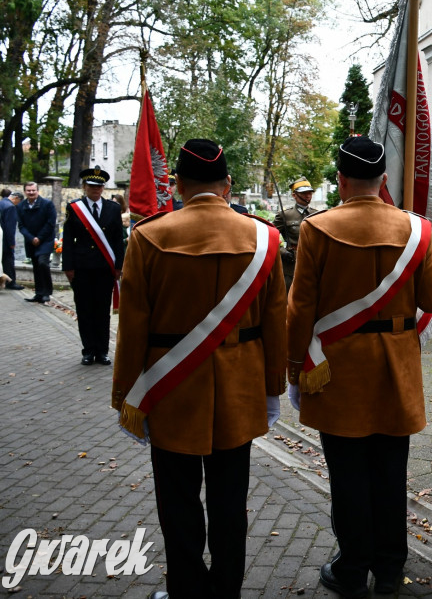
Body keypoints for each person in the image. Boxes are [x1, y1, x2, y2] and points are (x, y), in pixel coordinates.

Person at [112, 139, 287, 599]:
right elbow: (276, 321)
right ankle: (226, 587)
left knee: (177, 501)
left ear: (179, 185)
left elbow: (131, 328)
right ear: (228, 185)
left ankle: (187, 588)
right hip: (241, 388)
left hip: (171, 391)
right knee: (231, 501)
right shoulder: (265, 237)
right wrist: (273, 389)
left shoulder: (148, 236)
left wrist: (126, 400)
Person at [285, 136, 432, 598]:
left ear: (340, 180)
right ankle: (392, 570)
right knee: (392, 473)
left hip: (338, 371)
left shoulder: (317, 228)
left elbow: (300, 310)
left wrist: (296, 366)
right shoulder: (417, 229)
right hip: (396, 366)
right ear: (381, 182)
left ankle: (353, 568)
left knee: (348, 474)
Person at [62, 167, 126, 365]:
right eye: (91, 186)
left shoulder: (113, 209)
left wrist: (118, 265)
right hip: (82, 268)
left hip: (104, 269)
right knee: (85, 309)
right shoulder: (74, 208)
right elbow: (67, 239)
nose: (95, 189)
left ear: (103, 188)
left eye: (99, 186)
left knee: (101, 310)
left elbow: (117, 240)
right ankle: (88, 351)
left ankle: (103, 351)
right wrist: (68, 267)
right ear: (84, 186)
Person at [273, 176, 319, 291]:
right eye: (304, 193)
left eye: (309, 193)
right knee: (289, 296)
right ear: (294, 195)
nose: (308, 196)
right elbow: (270, 236)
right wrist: (282, 251)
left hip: (313, 262)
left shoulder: (317, 214)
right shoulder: (284, 215)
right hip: (292, 263)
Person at [17, 181, 57, 304]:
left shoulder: (47, 204)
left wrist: (39, 237)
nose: (31, 192)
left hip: (45, 240)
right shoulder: (20, 206)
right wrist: (31, 238)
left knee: (43, 263)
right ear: (25, 192)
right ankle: (39, 293)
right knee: (36, 266)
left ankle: (47, 293)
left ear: (37, 191)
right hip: (31, 241)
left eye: (33, 190)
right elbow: (21, 226)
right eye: (28, 190)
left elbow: (51, 223)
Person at [0, 190, 22, 289]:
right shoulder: (11, 207)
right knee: (8, 260)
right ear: (16, 198)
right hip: (5, 240)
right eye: (18, 202)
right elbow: (10, 227)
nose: (18, 204)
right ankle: (11, 282)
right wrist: (12, 242)